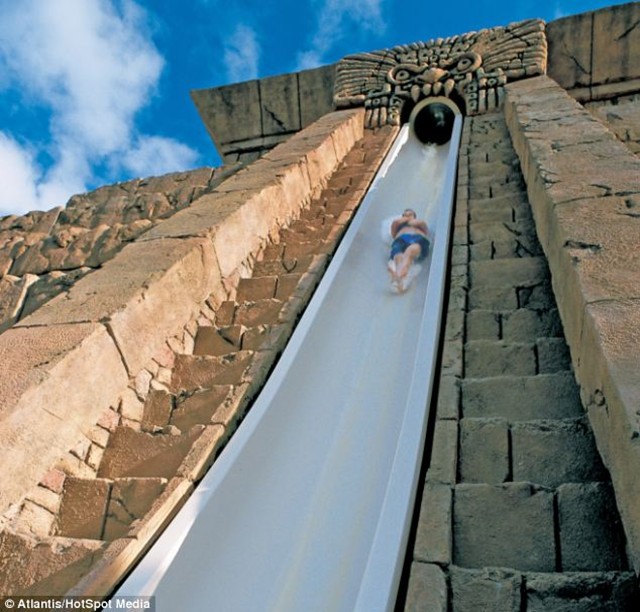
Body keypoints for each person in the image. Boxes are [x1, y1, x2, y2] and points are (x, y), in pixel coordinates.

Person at [387, 208, 430, 292]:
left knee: (409, 252)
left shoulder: (419, 223)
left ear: (414, 216)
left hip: (417, 239)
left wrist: (411, 220)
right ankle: (400, 278)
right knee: (398, 257)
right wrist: (406, 219)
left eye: (409, 214)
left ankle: (398, 276)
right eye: (404, 215)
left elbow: (422, 225)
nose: (406, 216)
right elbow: (395, 225)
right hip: (401, 240)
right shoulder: (398, 225)